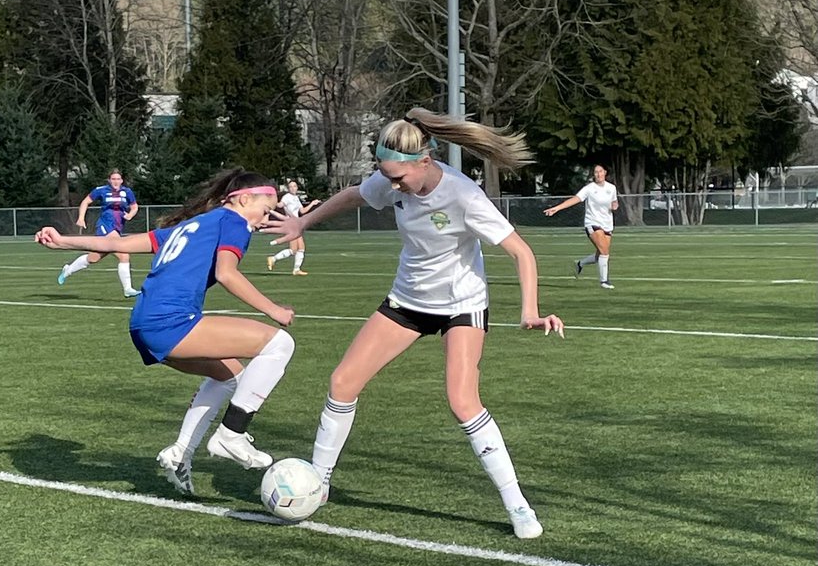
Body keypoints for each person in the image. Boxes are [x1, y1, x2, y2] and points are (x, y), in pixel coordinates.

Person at [265, 109, 564, 540]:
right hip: (408, 301)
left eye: (398, 178)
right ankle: (319, 483)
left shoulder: (463, 195)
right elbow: (352, 196)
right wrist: (302, 222)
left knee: (462, 401)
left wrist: (529, 312)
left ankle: (518, 505)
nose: (392, 187)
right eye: (387, 177)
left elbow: (521, 251)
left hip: (462, 305)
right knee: (342, 382)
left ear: (425, 162)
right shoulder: (392, 180)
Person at [36, 169, 296, 497]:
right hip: (170, 323)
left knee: (229, 375)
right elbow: (226, 274)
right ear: (244, 200)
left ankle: (180, 454)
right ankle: (232, 434)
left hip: (144, 324)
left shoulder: (193, 224)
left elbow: (118, 243)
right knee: (280, 344)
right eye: (266, 209)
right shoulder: (234, 223)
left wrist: (63, 241)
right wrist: (273, 309)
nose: (266, 218)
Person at [56, 169, 141, 298]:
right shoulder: (101, 190)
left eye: (118, 179)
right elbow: (85, 202)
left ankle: (68, 270)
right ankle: (127, 289)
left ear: (122, 180)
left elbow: (134, 206)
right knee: (123, 254)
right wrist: (81, 218)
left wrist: (130, 214)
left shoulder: (127, 192)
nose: (116, 181)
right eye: (113, 179)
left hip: (117, 228)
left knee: (94, 258)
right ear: (109, 180)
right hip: (105, 226)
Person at [543, 164, 620, 289]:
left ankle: (580, 263)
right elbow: (576, 199)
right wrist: (557, 208)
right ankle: (604, 281)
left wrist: (614, 205)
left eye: (600, 171)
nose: (598, 174)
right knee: (604, 252)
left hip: (607, 224)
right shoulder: (589, 188)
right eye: (596, 172)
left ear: (605, 172)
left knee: (600, 254)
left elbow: (614, 202)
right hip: (593, 223)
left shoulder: (611, 188)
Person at [266, 179, 322, 276]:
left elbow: (302, 211)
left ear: (297, 188)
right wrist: (271, 200)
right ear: (288, 188)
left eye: (294, 186)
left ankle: (296, 269)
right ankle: (273, 259)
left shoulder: (296, 198)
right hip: (291, 225)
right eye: (291, 187)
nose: (293, 188)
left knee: (300, 248)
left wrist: (312, 203)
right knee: (293, 249)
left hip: (297, 224)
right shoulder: (287, 197)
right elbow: (280, 205)